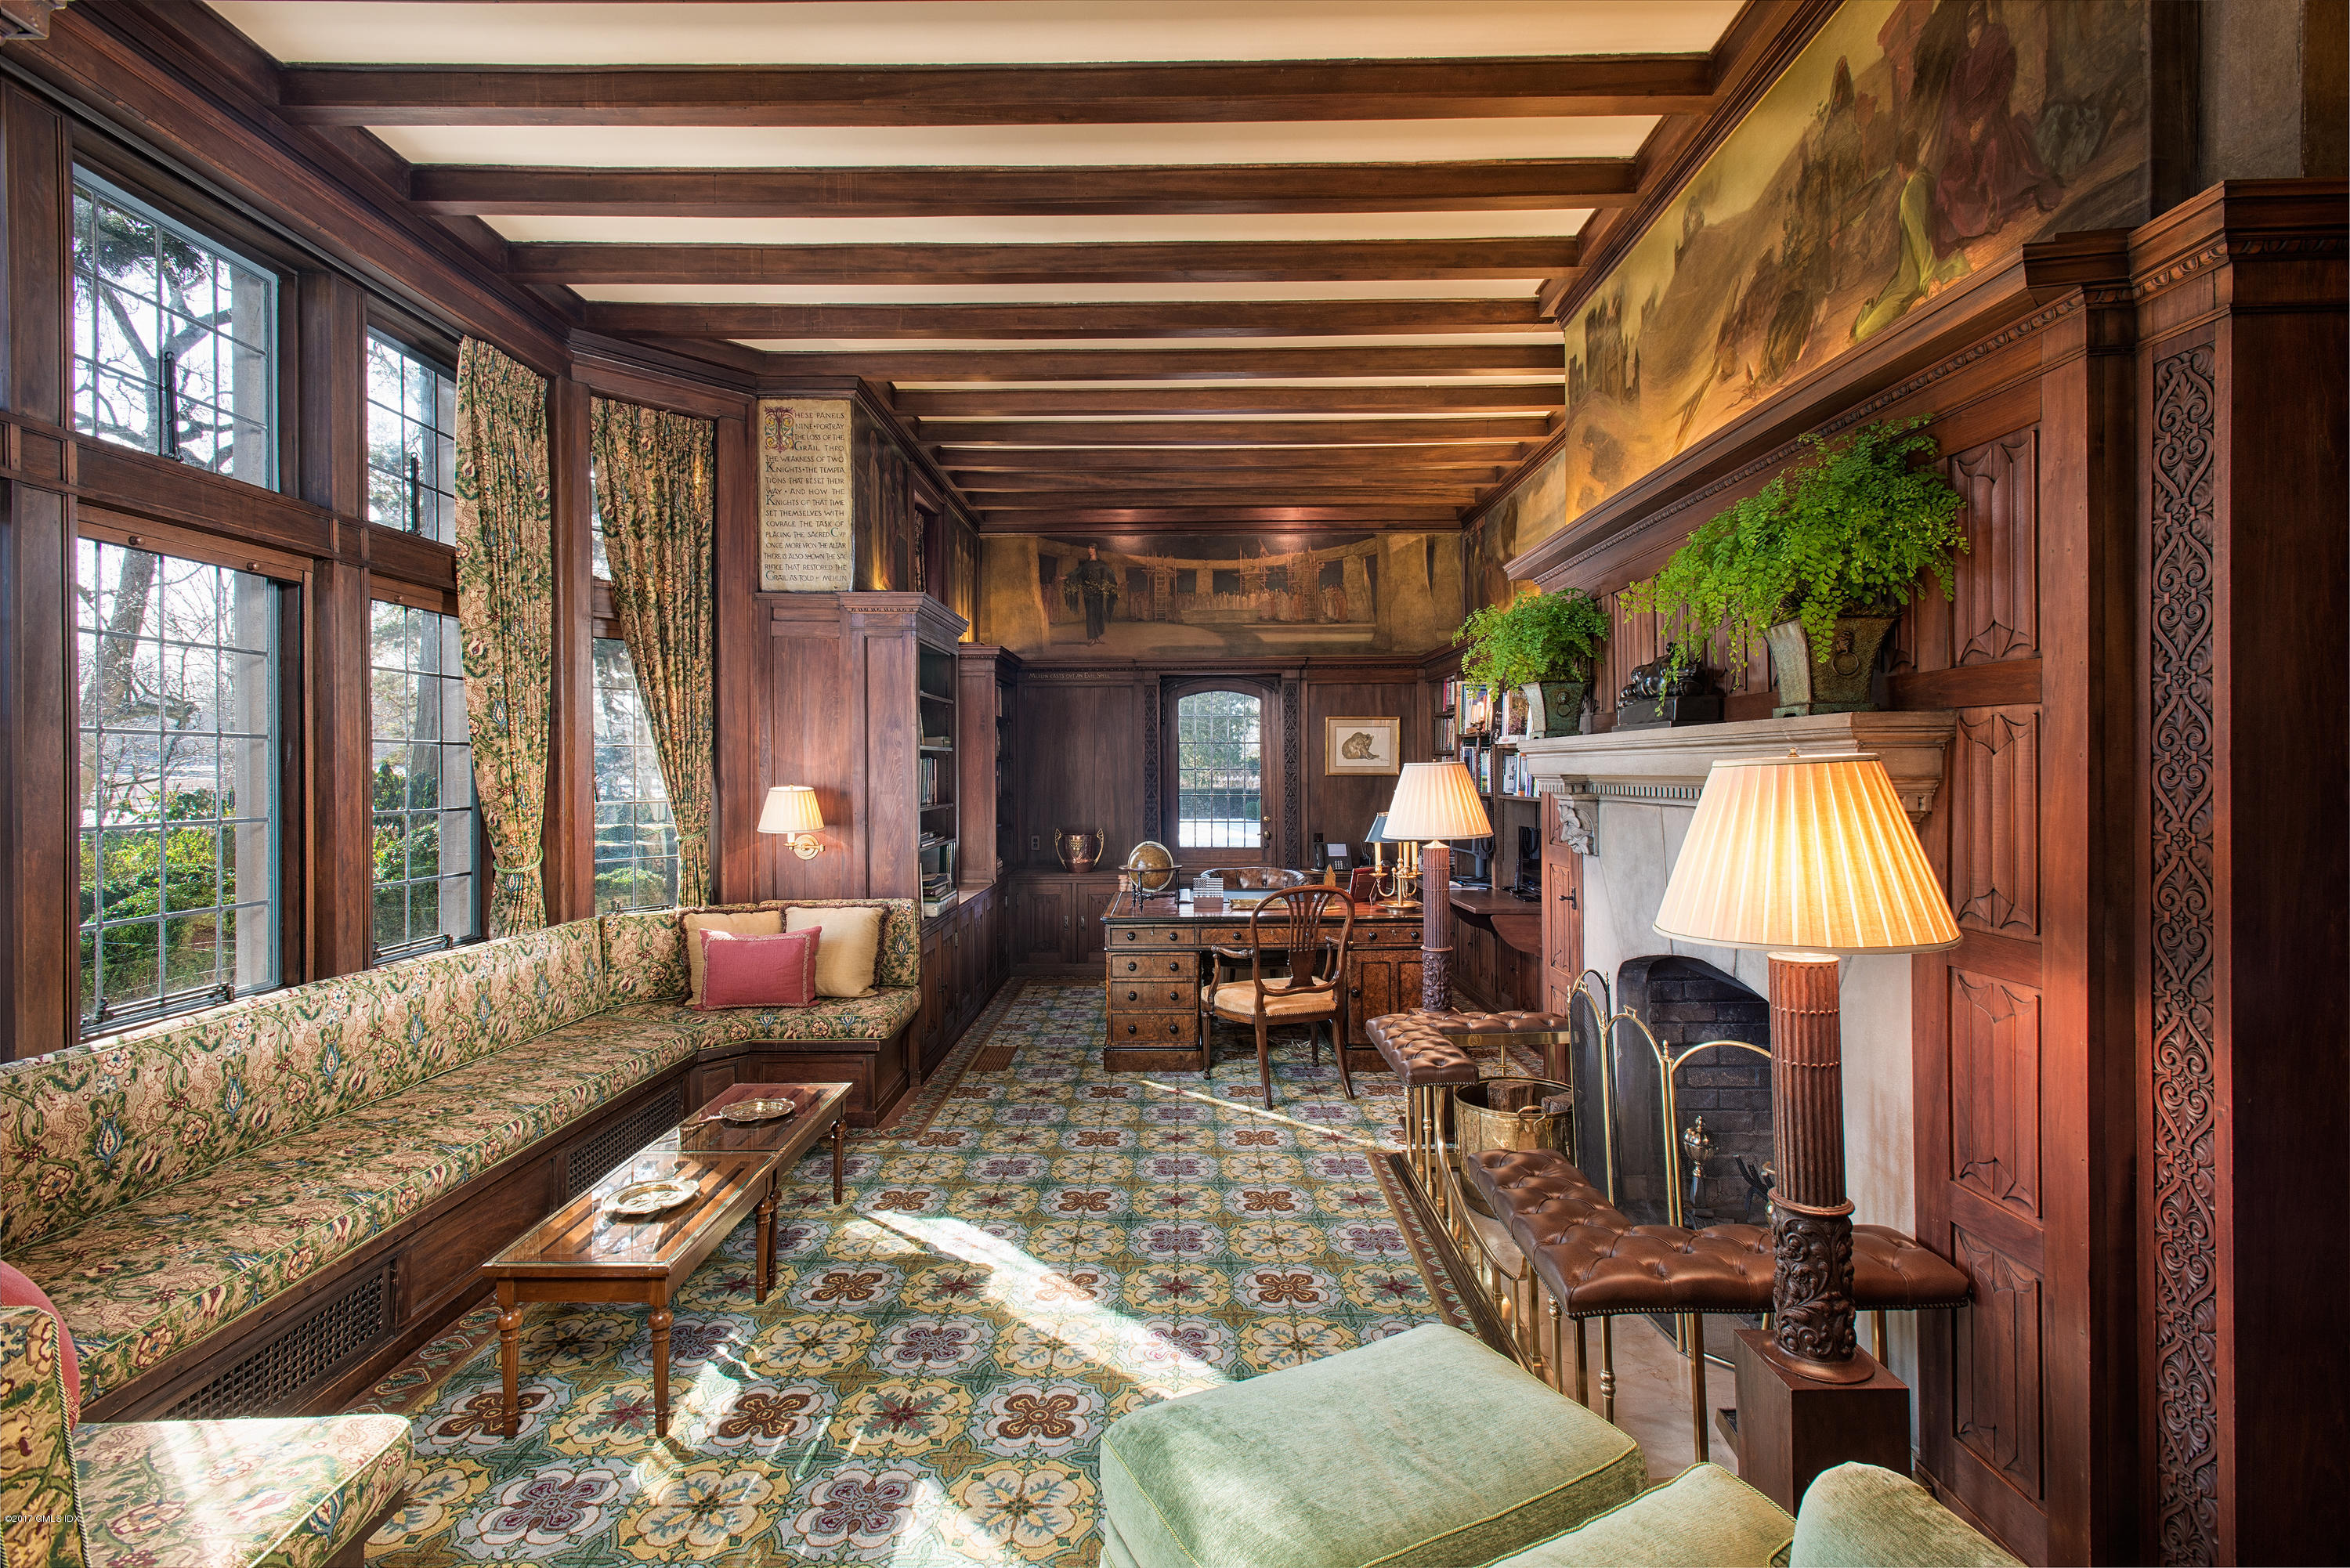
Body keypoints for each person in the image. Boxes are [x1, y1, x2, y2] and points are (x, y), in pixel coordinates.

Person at [1062, 544, 1120, 643]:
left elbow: (1110, 572)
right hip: (1088, 593)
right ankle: (1092, 638)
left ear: (1096, 550)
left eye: (1092, 548)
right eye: (1089, 548)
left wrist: (1116, 579)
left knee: (1098, 614)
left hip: (1098, 593)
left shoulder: (1101, 563)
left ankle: (1098, 637)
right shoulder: (1085, 564)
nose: (1090, 550)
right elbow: (1077, 571)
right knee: (1090, 614)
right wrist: (1066, 577)